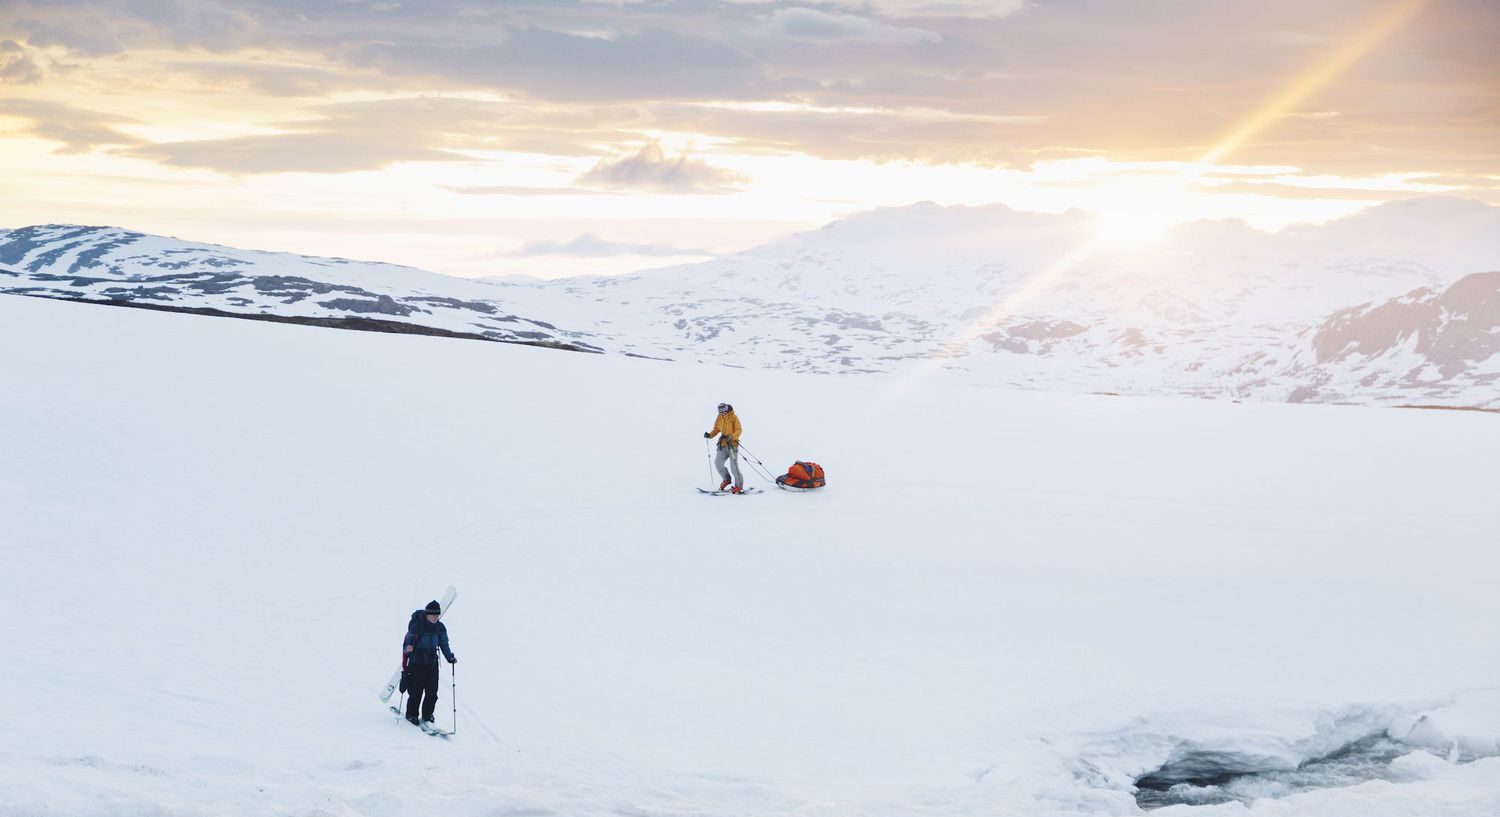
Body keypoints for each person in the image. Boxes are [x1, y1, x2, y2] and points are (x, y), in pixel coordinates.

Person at [402, 600, 456, 726]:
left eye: (437, 615)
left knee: (432, 692)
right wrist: (408, 648)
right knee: (416, 691)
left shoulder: (440, 627)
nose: (435, 618)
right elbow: (406, 645)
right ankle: (411, 715)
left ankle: (427, 714)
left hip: (432, 663)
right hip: (417, 663)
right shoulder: (417, 626)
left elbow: (444, 644)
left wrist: (449, 657)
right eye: (433, 615)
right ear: (427, 614)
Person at [704, 402, 744, 493]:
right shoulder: (720, 417)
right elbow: (716, 429)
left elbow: (739, 430)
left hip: (732, 445)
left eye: (723, 412)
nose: (722, 414)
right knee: (718, 463)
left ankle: (739, 486)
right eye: (720, 412)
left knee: (734, 467)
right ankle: (726, 479)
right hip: (723, 444)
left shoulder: (734, 417)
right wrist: (710, 435)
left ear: (726, 410)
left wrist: (732, 437)